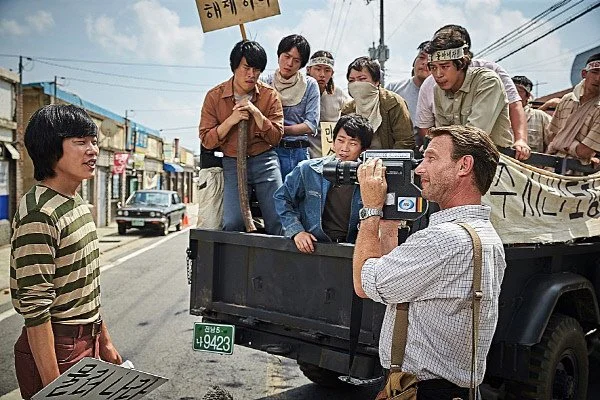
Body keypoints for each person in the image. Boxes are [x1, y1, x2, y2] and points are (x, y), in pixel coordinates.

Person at [353, 125, 506, 399]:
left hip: (423, 391)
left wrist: (371, 210)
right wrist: (388, 228)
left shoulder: (442, 240)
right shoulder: (485, 235)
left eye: (431, 158)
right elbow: (397, 284)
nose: (420, 169)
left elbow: (365, 284)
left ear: (464, 166)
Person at [11, 104, 122, 399]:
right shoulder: (40, 213)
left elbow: (87, 288)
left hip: (87, 339)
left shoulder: (76, 203)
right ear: (51, 149)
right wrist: (54, 388)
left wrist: (104, 342)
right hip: (58, 348)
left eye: (94, 141)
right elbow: (35, 309)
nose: (93, 150)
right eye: (80, 142)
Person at [199, 40, 284, 234]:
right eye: (246, 68)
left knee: (279, 219)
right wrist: (231, 120)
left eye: (257, 70)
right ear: (234, 66)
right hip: (232, 162)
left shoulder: (270, 95)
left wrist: (257, 114)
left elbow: (276, 137)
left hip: (265, 160)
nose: (251, 74)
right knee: (232, 222)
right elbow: (207, 140)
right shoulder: (214, 96)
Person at [416, 24, 530, 160]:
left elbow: (474, 136)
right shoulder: (436, 88)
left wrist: (521, 139)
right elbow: (441, 135)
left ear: (461, 64)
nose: (438, 74)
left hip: (492, 161)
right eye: (433, 68)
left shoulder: (488, 81)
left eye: (445, 66)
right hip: (455, 160)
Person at [273, 114, 373, 253]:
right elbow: (282, 198)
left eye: (353, 143)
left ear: (363, 149)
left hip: (352, 249)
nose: (344, 148)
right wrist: (296, 231)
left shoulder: (370, 178)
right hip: (314, 247)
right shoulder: (308, 169)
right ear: (333, 141)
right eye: (340, 140)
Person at [264, 34, 320, 177]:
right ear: (279, 55)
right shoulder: (265, 83)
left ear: (302, 64)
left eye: (296, 60)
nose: (289, 63)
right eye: (286, 56)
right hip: (271, 153)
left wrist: (278, 130)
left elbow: (310, 125)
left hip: (299, 153)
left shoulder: (310, 85)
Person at [341, 56, 414, 150]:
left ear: (376, 81)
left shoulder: (394, 103)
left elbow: (404, 142)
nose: (356, 84)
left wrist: (389, 158)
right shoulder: (348, 110)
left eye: (362, 79)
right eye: (351, 80)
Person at [546, 53, 600, 164]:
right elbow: (552, 135)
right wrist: (565, 144)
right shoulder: (567, 99)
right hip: (551, 165)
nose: (598, 78)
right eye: (595, 72)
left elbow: (585, 152)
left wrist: (560, 142)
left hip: (578, 171)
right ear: (584, 73)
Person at [306, 50, 351, 158]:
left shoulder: (339, 94)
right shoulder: (299, 91)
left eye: (327, 70)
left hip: (330, 155)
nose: (322, 74)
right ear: (308, 70)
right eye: (318, 69)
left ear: (332, 73)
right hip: (304, 153)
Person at [386, 41, 431, 148]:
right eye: (421, 57)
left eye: (430, 60)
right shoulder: (393, 89)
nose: (425, 63)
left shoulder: (441, 93)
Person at [512, 75, 552, 153]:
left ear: (527, 96)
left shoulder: (540, 117)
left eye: (518, 91)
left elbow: (554, 144)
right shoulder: (499, 115)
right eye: (509, 91)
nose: (512, 94)